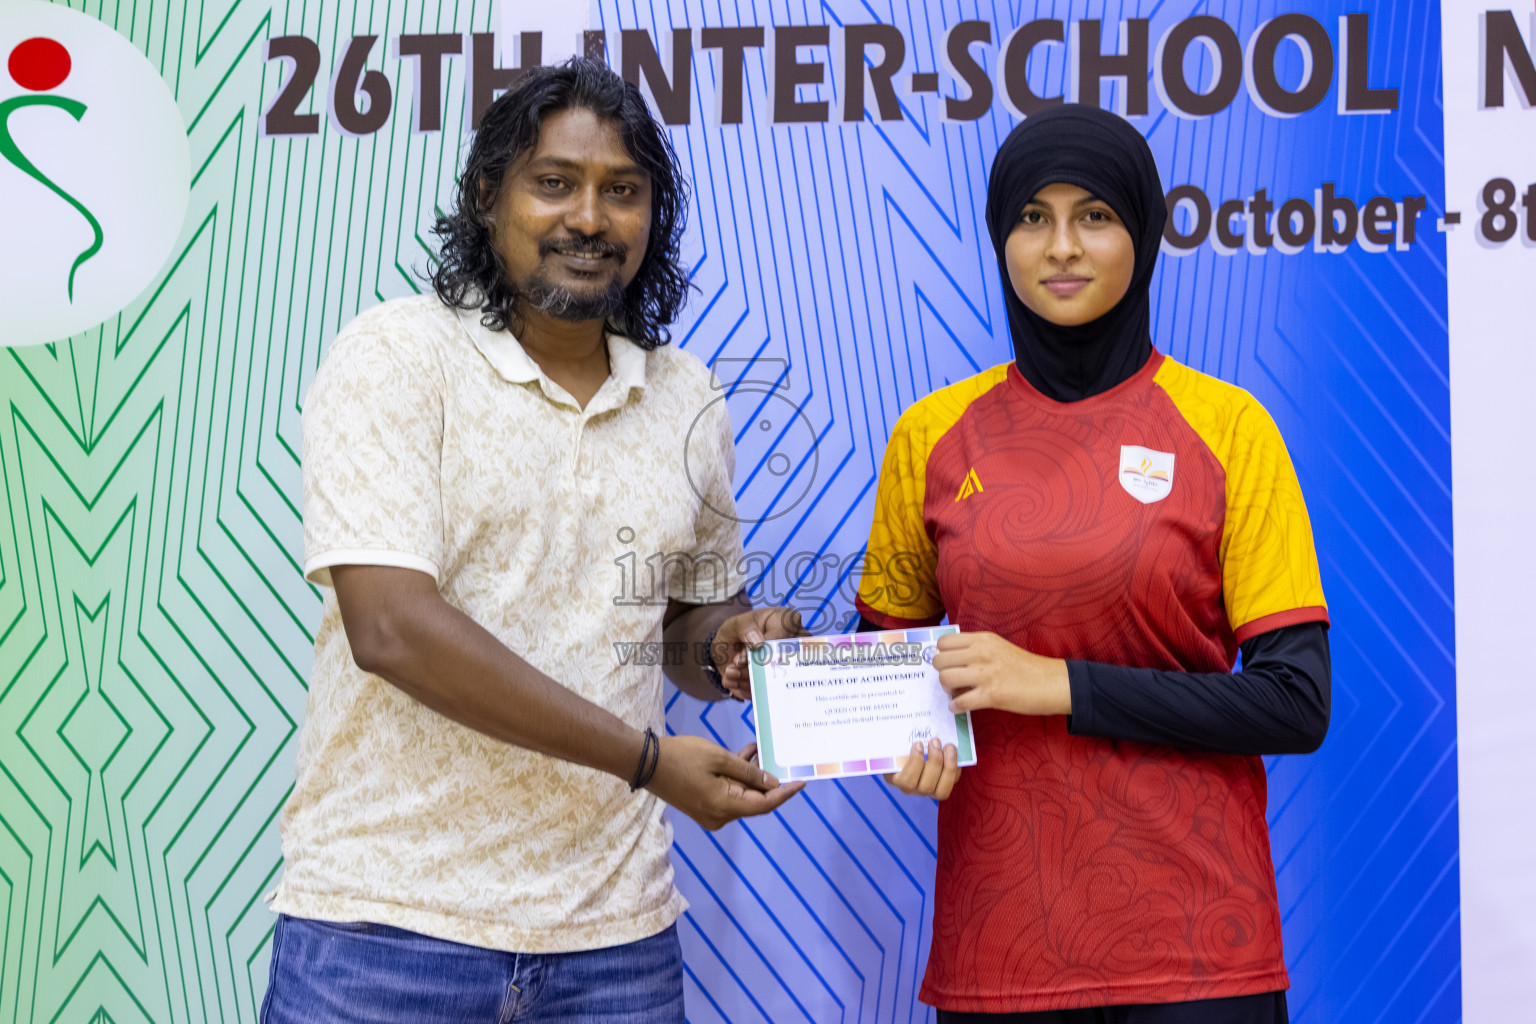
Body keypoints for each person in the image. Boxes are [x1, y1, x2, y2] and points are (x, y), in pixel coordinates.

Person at [262, 58, 803, 1024]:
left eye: (621, 192)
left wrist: (728, 641)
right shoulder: (398, 355)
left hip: (617, 941)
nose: (589, 219)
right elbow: (390, 629)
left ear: (651, 219)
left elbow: (676, 624)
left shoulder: (686, 394)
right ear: (487, 199)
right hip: (388, 930)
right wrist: (648, 762)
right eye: (554, 183)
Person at [853, 105, 1331, 1023]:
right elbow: (890, 678)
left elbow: (1294, 702)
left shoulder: (1230, 430)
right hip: (1000, 951)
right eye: (1032, 217)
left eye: (1095, 215)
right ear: (1000, 241)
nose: (1061, 246)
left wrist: (1058, 683)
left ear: (1144, 235)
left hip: (1197, 954)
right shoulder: (931, 435)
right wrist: (893, 744)